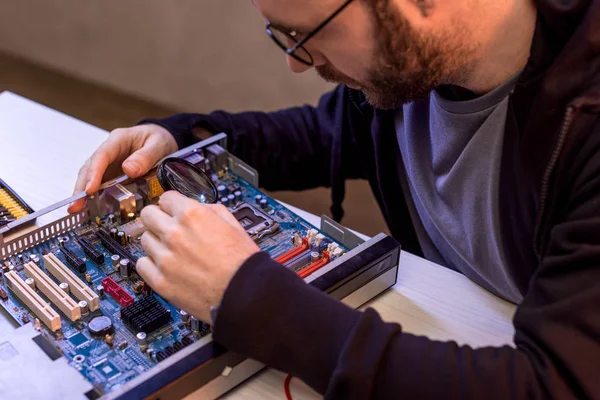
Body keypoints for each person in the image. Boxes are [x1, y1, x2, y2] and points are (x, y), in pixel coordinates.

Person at [69, 0, 600, 397]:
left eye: (302, 33)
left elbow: (552, 386)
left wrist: (255, 301)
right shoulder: (414, 74)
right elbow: (324, 134)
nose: (297, 62)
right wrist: (183, 142)